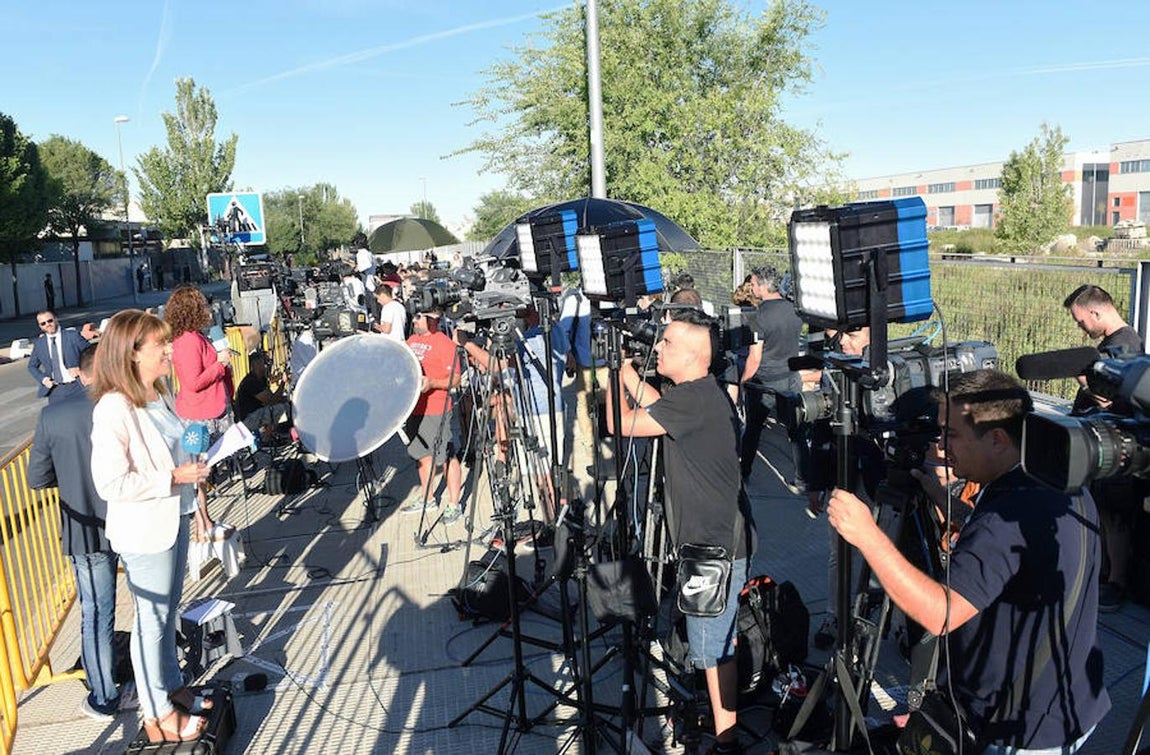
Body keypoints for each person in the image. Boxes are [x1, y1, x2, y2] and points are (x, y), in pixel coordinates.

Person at [827, 369, 1110, 752]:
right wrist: (941, 497)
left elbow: (940, 614)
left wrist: (867, 535)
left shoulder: (1006, 516)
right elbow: (1016, 556)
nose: (941, 446)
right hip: (1064, 700)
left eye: (951, 434)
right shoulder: (1055, 476)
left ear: (997, 438)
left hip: (1017, 729)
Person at [609, 309, 752, 754]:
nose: (658, 347)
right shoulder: (699, 393)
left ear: (692, 355)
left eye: (667, 342)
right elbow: (656, 405)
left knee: (713, 650)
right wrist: (629, 373)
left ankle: (727, 741)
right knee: (712, 643)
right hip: (713, 543)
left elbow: (618, 424)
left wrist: (610, 373)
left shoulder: (693, 400)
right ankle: (719, 725)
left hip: (714, 550)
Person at [89, 310, 212, 743]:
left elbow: (172, 451)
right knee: (151, 620)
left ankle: (172, 686)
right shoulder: (113, 408)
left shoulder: (158, 393)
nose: (169, 350)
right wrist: (173, 478)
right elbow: (110, 482)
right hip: (144, 530)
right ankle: (157, 712)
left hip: (173, 516)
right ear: (132, 353)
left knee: (166, 613)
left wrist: (193, 469)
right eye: (160, 344)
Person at [27, 344, 134, 721]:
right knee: (148, 602)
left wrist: (71, 479)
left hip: (83, 526)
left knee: (95, 611)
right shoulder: (124, 406)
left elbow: (37, 478)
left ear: (79, 372)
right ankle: (155, 679)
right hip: (129, 516)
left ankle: (104, 695)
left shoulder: (52, 415)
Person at [1064, 283, 1145, 611]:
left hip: (1116, 445)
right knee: (1104, 513)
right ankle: (1104, 574)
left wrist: (1085, 382)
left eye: (1081, 321)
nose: (1081, 328)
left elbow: (1111, 401)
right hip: (1103, 442)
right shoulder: (1117, 343)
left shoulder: (1125, 345)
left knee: (1114, 515)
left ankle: (1116, 582)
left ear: (1096, 312)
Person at [165, 285, 234, 542]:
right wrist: (220, 364)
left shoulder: (195, 337)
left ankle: (204, 520)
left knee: (203, 471)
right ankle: (201, 522)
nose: (207, 309)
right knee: (198, 471)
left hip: (207, 410)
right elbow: (193, 382)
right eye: (202, 304)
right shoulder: (188, 341)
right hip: (198, 414)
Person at [739, 264, 803, 482]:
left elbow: (754, 357)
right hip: (791, 377)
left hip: (765, 382)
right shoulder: (794, 309)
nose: (752, 288)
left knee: (753, 429)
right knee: (796, 430)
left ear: (763, 286)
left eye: (754, 284)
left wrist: (744, 381)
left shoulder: (758, 317)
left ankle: (744, 473)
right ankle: (802, 476)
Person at [402, 309, 464, 522]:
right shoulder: (411, 340)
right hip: (413, 409)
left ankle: (454, 505)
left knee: (446, 457)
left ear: (433, 319)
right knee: (421, 455)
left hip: (437, 409)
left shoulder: (444, 344)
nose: (414, 320)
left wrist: (433, 383)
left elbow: (456, 379)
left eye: (419, 316)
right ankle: (428, 499)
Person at [27, 309, 91, 403]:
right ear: (40, 326)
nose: (47, 324)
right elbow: (31, 366)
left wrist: (81, 369)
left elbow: (92, 355)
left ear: (56, 319)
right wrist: (43, 379)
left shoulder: (73, 336)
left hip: (77, 386)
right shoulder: (39, 344)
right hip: (55, 391)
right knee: (57, 413)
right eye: (43, 323)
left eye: (50, 321)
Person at [233, 349, 289, 441]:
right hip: (246, 419)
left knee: (284, 405)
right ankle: (266, 439)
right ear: (256, 365)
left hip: (255, 413)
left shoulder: (261, 379)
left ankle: (274, 434)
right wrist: (283, 382)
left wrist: (286, 399)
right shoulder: (251, 382)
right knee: (277, 409)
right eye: (263, 364)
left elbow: (272, 397)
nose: (266, 366)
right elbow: (271, 401)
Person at [372, 278, 407, 342]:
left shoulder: (387, 307)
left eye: (378, 298)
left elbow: (387, 329)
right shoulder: (400, 306)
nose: (378, 301)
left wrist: (376, 326)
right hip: (400, 341)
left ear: (383, 295)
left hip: (389, 342)